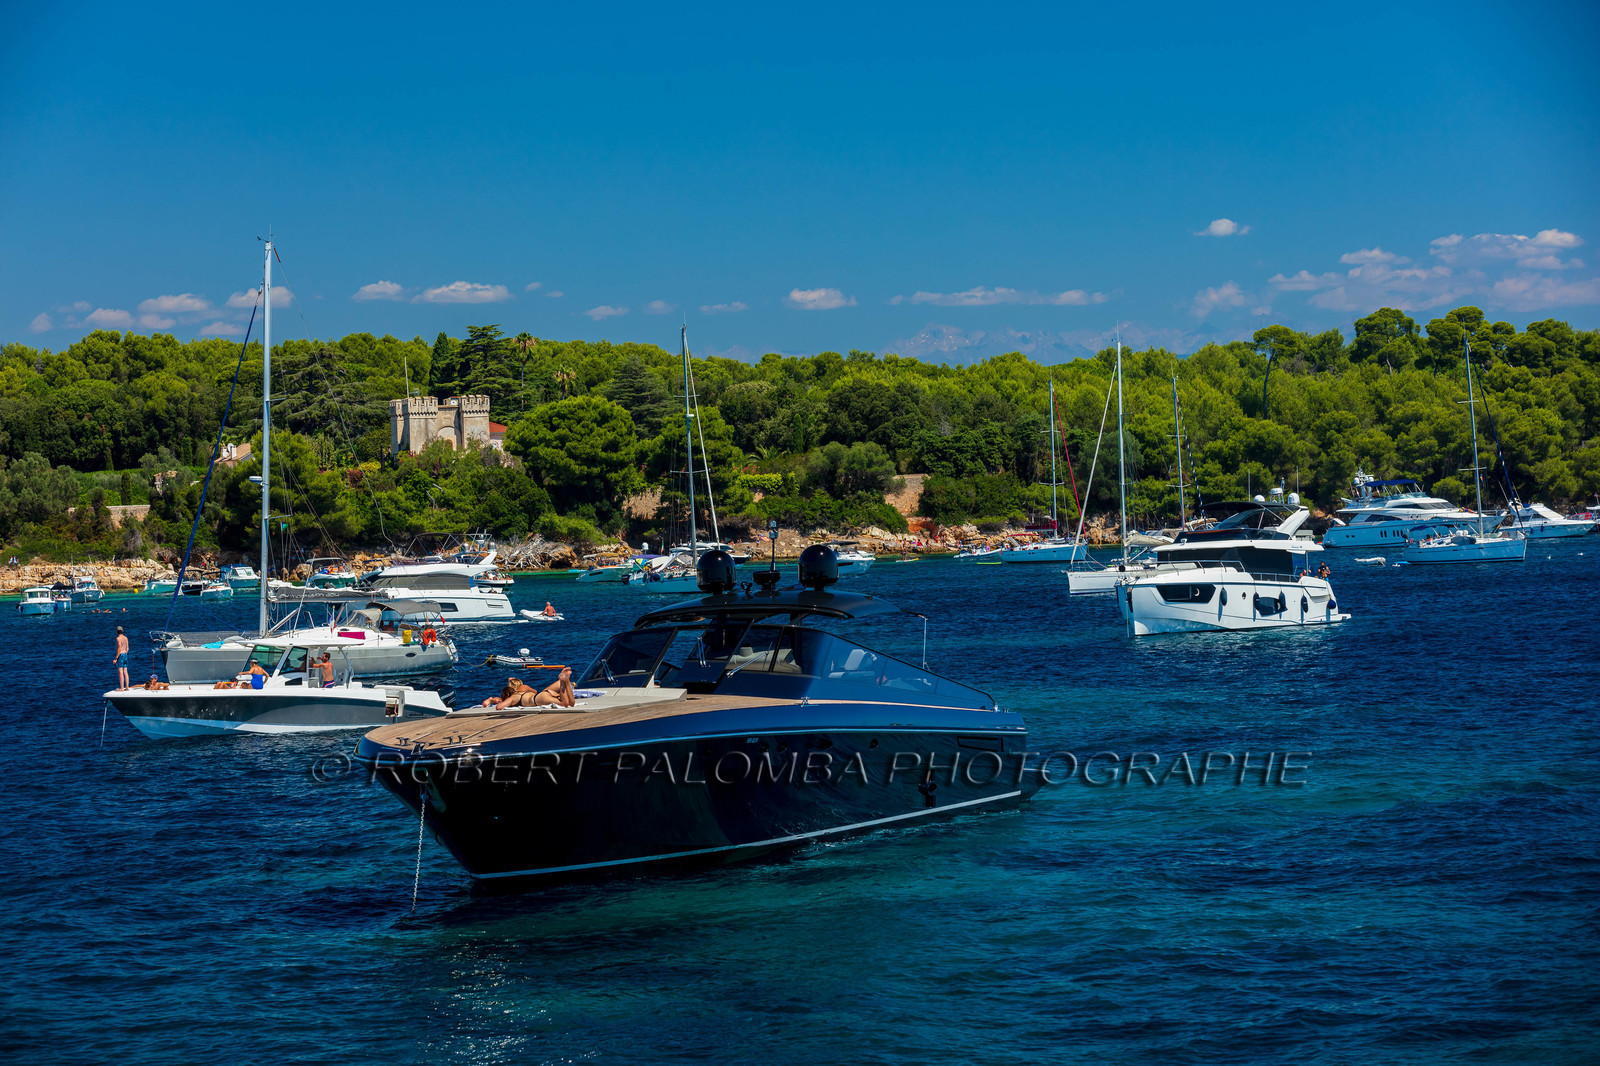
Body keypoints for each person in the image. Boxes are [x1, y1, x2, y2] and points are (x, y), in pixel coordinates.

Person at [112, 626, 130, 691]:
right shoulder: (126, 638)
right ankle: (127, 687)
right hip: (125, 654)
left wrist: (116, 658)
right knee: (125, 671)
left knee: (120, 672)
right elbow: (127, 648)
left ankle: (122, 687)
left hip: (121, 655)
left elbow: (119, 648)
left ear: (117, 631)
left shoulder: (118, 639)